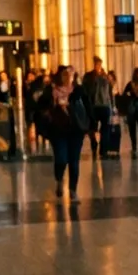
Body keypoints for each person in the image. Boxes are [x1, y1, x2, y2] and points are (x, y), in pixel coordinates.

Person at [36, 65, 91, 201]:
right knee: (61, 159)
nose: (67, 78)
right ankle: (59, 179)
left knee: (74, 161)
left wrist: (90, 126)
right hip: (58, 130)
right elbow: (40, 107)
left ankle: (73, 190)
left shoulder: (78, 91)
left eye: (70, 75)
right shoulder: (51, 91)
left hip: (75, 130)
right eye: (64, 75)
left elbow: (88, 107)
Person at [81, 56, 115, 157]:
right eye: (97, 64)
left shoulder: (105, 76)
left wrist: (112, 105)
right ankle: (94, 143)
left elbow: (110, 91)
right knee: (92, 127)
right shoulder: (89, 76)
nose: (98, 66)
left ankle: (103, 149)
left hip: (103, 105)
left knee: (104, 128)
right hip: (93, 106)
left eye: (100, 64)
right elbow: (86, 91)